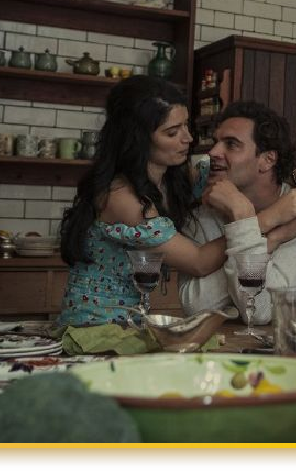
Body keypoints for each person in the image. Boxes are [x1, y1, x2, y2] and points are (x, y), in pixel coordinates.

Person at [58, 76, 228, 327]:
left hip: (132, 320)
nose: (188, 138)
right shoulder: (122, 197)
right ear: (138, 138)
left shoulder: (173, 179)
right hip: (96, 325)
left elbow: (234, 167)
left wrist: (289, 176)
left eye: (186, 125)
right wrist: (262, 224)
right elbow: (199, 262)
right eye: (172, 132)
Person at [178, 100, 296, 322]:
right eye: (216, 142)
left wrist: (243, 219)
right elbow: (193, 304)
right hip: (241, 339)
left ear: (267, 160)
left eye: (231, 144)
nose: (213, 151)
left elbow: (259, 308)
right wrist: (270, 235)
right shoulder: (202, 215)